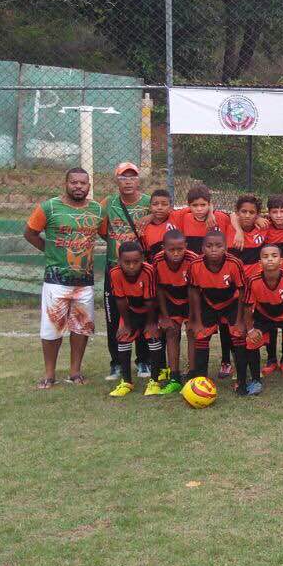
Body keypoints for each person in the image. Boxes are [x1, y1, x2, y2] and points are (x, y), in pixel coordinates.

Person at [24, 168, 104, 389]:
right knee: (52, 328)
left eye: (83, 183)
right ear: (65, 183)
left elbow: (106, 232)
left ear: (89, 186)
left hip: (84, 282)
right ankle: (49, 375)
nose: (78, 186)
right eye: (74, 182)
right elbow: (29, 233)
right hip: (56, 280)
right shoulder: (49, 207)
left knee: (81, 327)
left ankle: (75, 372)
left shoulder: (97, 210)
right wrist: (50, 251)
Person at [164, 185, 233, 378]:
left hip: (214, 279)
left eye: (204, 205)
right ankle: (192, 369)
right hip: (191, 279)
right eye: (196, 205)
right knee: (198, 325)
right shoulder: (182, 217)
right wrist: (209, 209)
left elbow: (232, 219)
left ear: (210, 205)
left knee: (225, 323)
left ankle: (226, 361)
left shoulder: (220, 219)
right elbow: (172, 210)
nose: (200, 209)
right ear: (189, 206)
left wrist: (213, 211)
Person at [98, 162, 152, 382]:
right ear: (116, 180)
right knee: (114, 318)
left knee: (142, 314)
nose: (128, 181)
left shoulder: (149, 203)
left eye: (132, 177)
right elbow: (103, 232)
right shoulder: (108, 203)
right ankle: (117, 364)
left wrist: (148, 218)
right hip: (115, 268)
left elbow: (161, 219)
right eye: (123, 177)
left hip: (141, 270)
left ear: (138, 180)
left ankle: (144, 361)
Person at [241, 244, 283, 396]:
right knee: (251, 341)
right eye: (265, 257)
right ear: (260, 263)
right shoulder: (253, 281)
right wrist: (250, 329)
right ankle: (255, 381)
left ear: (281, 261)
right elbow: (247, 307)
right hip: (264, 316)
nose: (270, 259)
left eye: (274, 256)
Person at [187, 229, 247, 383]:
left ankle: (241, 379)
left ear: (225, 247)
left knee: (238, 335)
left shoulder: (234, 263)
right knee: (201, 335)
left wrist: (240, 319)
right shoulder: (195, 265)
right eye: (209, 246)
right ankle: (201, 380)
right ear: (202, 248)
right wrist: (196, 320)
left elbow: (242, 291)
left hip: (232, 303)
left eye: (218, 246)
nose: (213, 249)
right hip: (208, 303)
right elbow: (193, 292)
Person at [105, 242, 163, 397]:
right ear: (119, 261)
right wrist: (127, 325)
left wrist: (151, 323)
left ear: (142, 259)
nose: (132, 266)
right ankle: (126, 382)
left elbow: (150, 301)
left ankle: (154, 382)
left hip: (149, 311)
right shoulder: (114, 273)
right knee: (123, 337)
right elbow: (120, 300)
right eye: (127, 262)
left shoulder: (149, 270)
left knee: (153, 337)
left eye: (136, 262)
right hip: (130, 312)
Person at [151, 229, 195, 395]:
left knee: (192, 332)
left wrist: (194, 317)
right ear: (164, 248)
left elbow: (196, 290)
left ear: (186, 246)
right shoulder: (158, 260)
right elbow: (159, 288)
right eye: (171, 250)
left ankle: (192, 375)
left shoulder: (193, 260)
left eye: (180, 249)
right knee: (171, 332)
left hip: (190, 300)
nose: (176, 253)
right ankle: (175, 376)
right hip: (169, 299)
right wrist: (164, 315)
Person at [260, 194, 283, 376]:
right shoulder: (265, 227)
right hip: (269, 279)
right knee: (270, 318)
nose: (279, 215)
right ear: (269, 213)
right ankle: (271, 358)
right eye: (274, 211)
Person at [139, 189, 174, 257]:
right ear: (150, 207)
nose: (159, 207)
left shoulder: (177, 217)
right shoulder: (145, 228)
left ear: (170, 207)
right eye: (155, 204)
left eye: (164, 204)